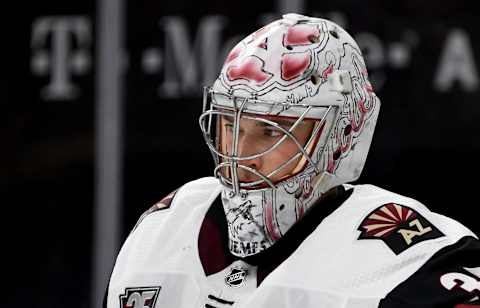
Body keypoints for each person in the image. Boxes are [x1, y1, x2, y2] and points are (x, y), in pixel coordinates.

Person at [105, 14, 480, 308]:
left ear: (342, 135)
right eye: (232, 126)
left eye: (272, 132)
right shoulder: (163, 231)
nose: (240, 156)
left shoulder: (407, 263)